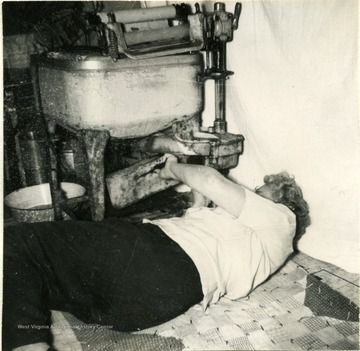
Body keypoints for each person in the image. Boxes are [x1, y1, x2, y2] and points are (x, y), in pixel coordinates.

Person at [2, 154, 310, 351]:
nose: (253, 195)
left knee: (17, 241)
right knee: (31, 275)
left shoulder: (282, 220)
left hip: (156, 258)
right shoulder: (258, 241)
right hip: (147, 306)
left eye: (261, 193)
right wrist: (198, 204)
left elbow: (208, 179)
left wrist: (172, 168)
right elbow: (207, 222)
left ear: (286, 205)